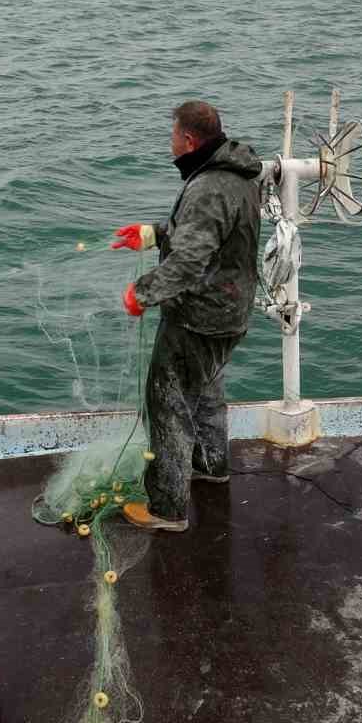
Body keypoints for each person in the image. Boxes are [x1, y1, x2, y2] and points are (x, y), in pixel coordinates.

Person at [109, 100, 263, 532]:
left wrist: (143, 293)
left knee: (168, 405)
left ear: (189, 139)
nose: (171, 142)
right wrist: (154, 234)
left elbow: (190, 262)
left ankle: (166, 508)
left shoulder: (208, 187)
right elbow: (210, 236)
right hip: (229, 313)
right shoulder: (238, 178)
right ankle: (212, 466)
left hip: (198, 318)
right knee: (207, 396)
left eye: (174, 135)